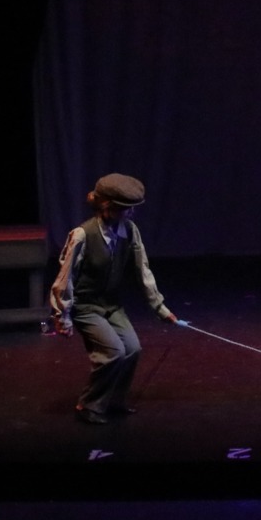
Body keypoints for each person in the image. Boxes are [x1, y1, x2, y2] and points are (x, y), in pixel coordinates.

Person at [49, 173, 178, 424]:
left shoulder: (129, 231)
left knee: (132, 349)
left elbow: (143, 270)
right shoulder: (82, 235)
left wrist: (159, 308)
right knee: (113, 353)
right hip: (86, 306)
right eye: (125, 209)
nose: (130, 215)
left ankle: (114, 400)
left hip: (111, 305)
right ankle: (89, 405)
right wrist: (62, 317)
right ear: (107, 206)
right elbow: (65, 279)